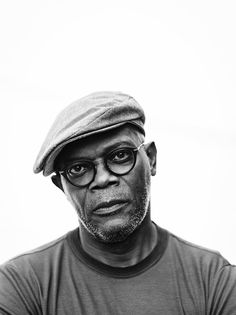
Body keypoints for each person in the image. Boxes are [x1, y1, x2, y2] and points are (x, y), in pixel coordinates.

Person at [0, 91, 235, 315]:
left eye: (120, 155)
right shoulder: (22, 286)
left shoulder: (214, 281)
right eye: (78, 168)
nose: (103, 179)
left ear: (151, 159)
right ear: (62, 186)